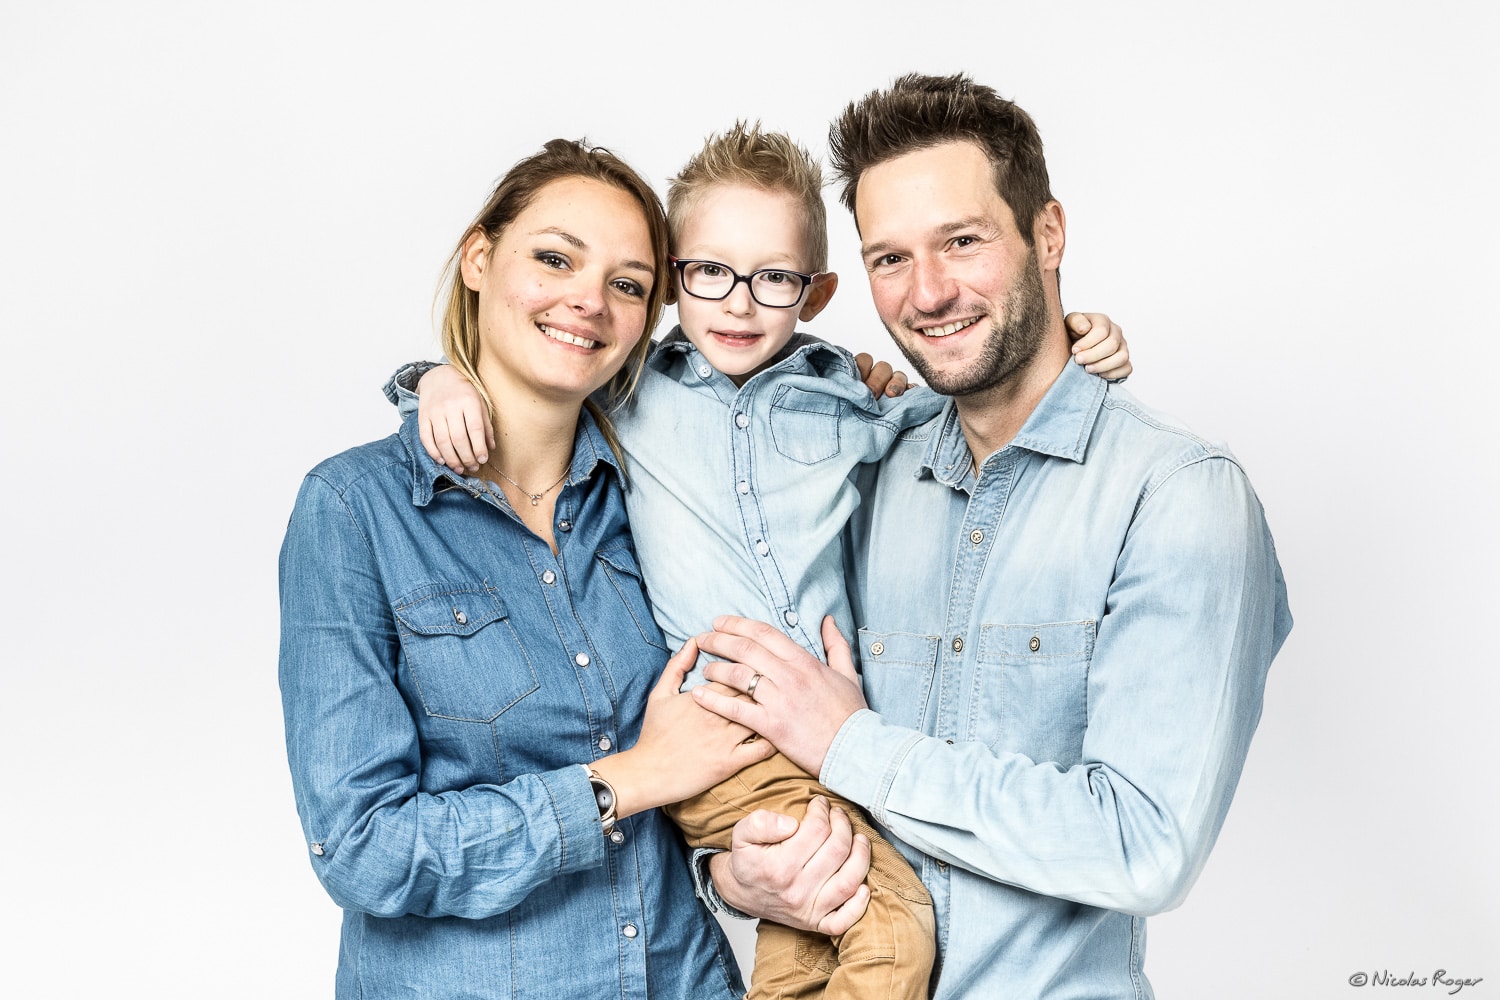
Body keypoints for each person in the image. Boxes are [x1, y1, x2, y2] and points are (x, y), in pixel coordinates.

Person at [398, 123, 1132, 999]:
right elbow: (536, 367)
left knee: (807, 938)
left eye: (773, 278)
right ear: (673, 281)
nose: (739, 304)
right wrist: (435, 380)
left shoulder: (846, 397)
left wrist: (1072, 335)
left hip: (835, 735)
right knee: (895, 933)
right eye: (710, 272)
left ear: (815, 292)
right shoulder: (632, 393)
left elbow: (972, 408)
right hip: (722, 735)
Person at [690, 74, 1294, 999]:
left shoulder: (1178, 498)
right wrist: (736, 877)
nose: (927, 293)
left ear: (1048, 233)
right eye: (889, 258)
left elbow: (1144, 845)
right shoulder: (861, 466)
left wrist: (849, 742)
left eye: (961, 241)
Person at [277, 139, 779, 1000]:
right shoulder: (355, 510)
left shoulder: (656, 500)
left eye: (628, 284)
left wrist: (734, 869)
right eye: (554, 258)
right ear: (479, 257)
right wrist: (629, 779)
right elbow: (363, 849)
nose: (589, 301)